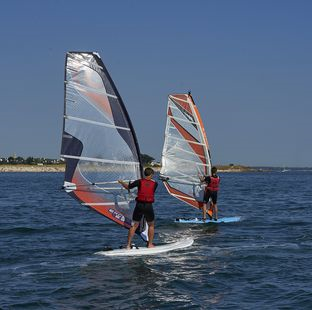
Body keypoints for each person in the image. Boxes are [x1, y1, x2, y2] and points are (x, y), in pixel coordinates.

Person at [118, 167, 158, 249]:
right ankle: (150, 244)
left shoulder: (139, 181)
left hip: (139, 205)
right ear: (151, 174)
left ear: (144, 174)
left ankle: (128, 245)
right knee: (151, 225)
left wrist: (121, 182)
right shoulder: (155, 184)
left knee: (134, 225)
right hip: (148, 206)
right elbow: (149, 190)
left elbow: (128, 187)